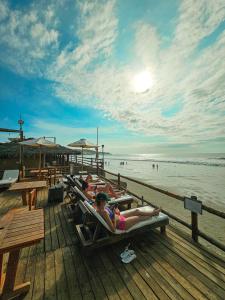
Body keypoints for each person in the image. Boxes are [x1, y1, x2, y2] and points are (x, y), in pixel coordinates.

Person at [95, 192, 161, 232]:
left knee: (136, 210)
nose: (107, 202)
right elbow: (113, 229)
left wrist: (113, 210)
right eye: (105, 201)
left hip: (120, 218)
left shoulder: (98, 207)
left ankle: (153, 213)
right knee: (138, 218)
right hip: (121, 224)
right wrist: (114, 215)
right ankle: (153, 214)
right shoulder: (103, 212)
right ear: (101, 201)